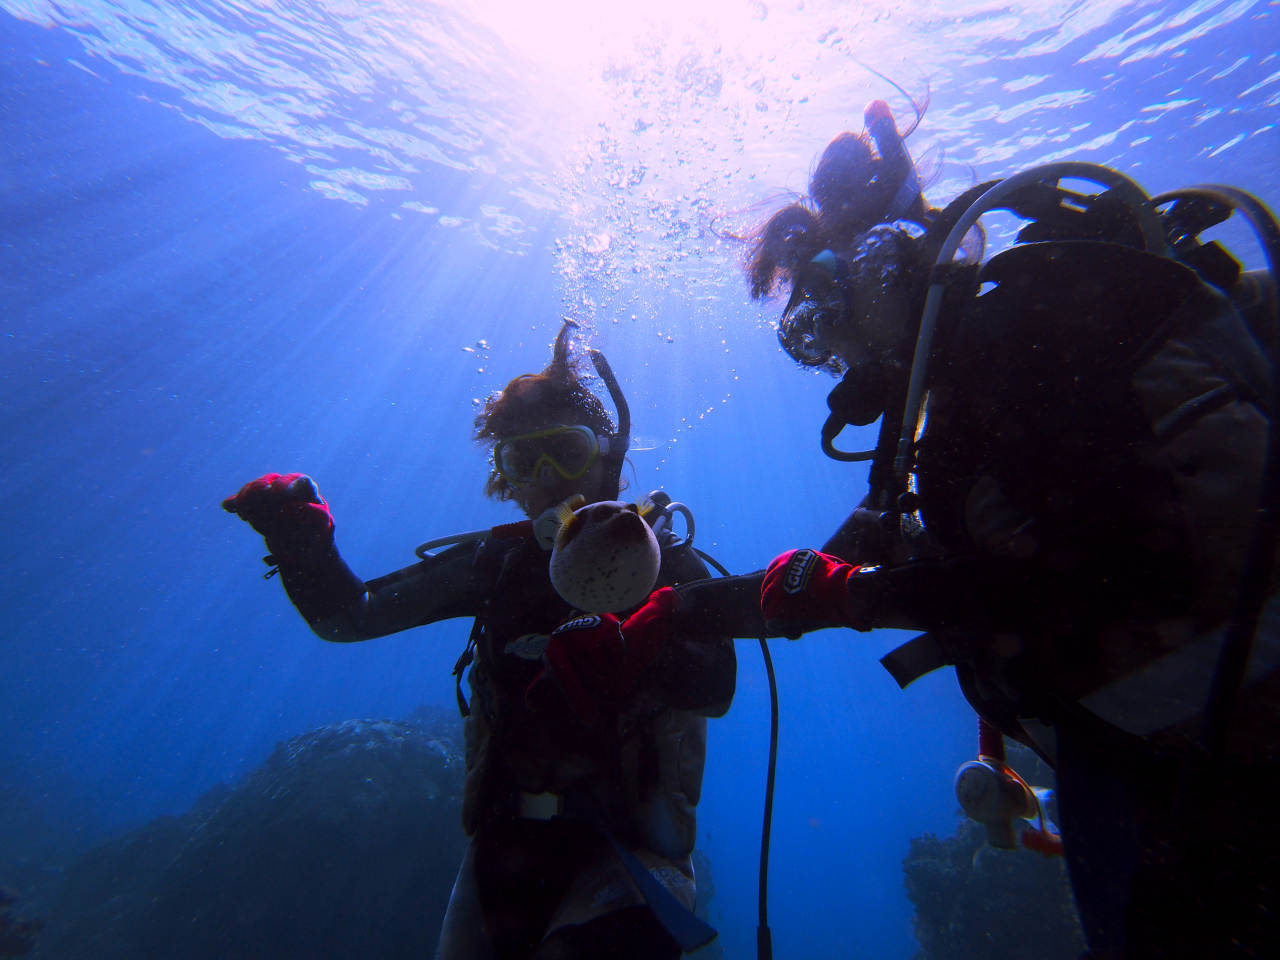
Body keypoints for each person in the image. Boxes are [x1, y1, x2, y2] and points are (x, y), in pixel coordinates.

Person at [619, 101, 1279, 958]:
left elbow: (1118, 573)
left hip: (1225, 757)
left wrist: (861, 597)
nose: (831, 348)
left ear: (885, 265)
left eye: (826, 303)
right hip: (1146, 753)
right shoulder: (967, 393)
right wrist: (673, 611)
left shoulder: (1024, 341)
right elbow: (821, 577)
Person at [222, 321, 736, 960]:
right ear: (506, 480)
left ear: (608, 456)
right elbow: (350, 619)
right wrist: (302, 543)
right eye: (523, 462)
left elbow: (717, 687)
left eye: (566, 452)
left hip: (635, 858)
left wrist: (641, 650)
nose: (548, 479)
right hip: (502, 849)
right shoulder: (496, 567)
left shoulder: (666, 564)